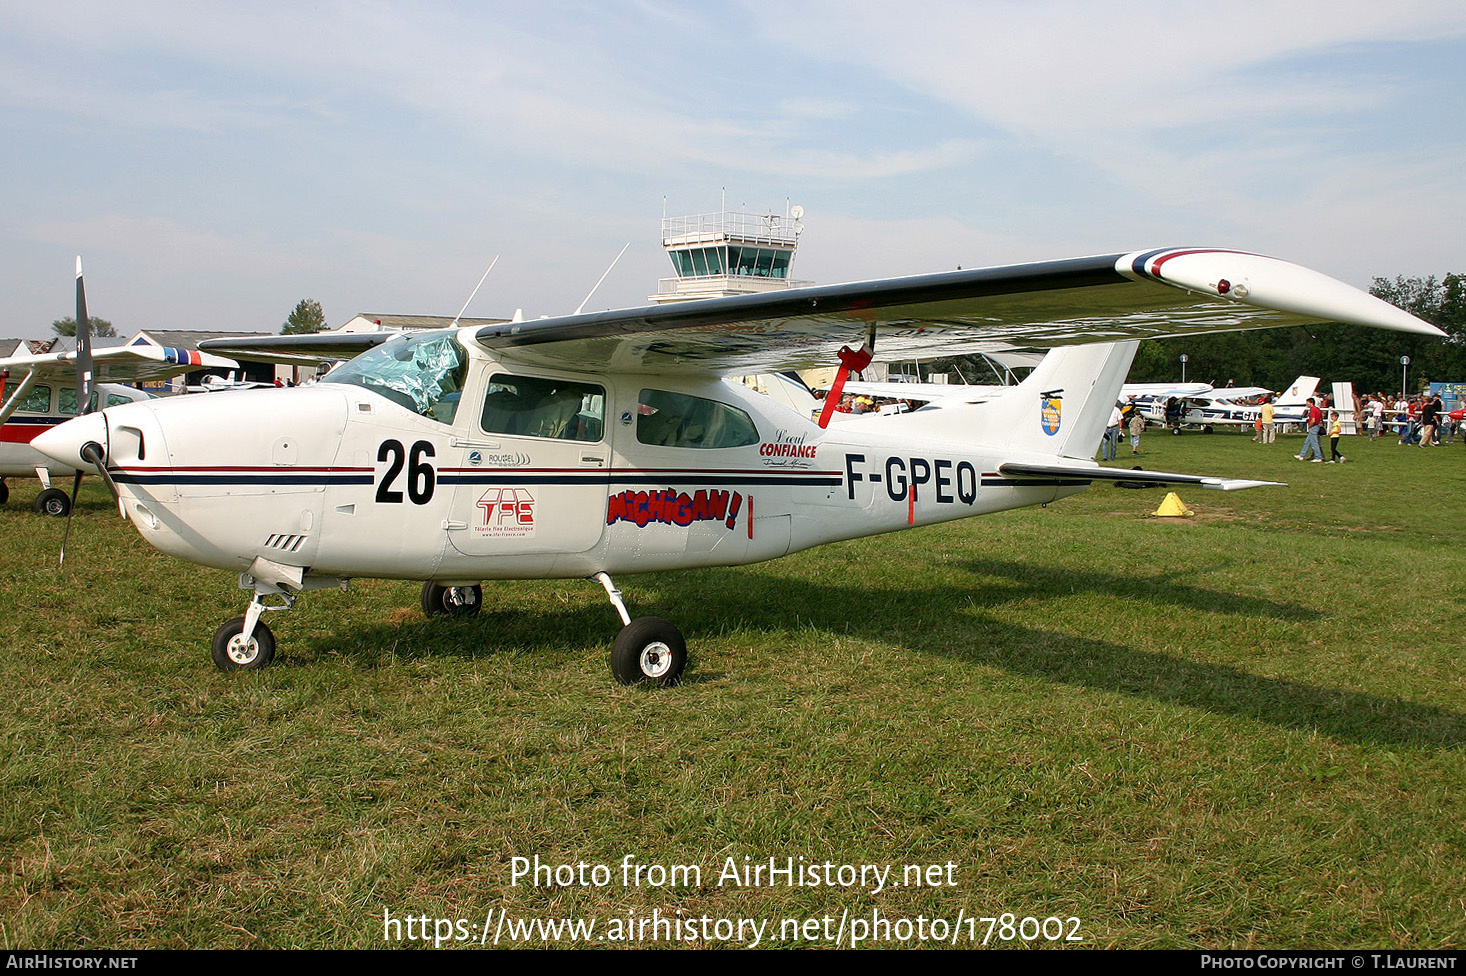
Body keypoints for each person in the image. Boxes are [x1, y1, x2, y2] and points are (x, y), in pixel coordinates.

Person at [1297, 397, 1325, 462]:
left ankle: (1318, 457)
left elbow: (1313, 420)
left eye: (1307, 403)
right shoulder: (1317, 409)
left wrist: (1310, 426)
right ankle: (1302, 455)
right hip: (1317, 426)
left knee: (1314, 442)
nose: (1307, 404)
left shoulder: (1313, 410)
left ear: (1311, 403)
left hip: (1314, 426)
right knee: (1307, 442)